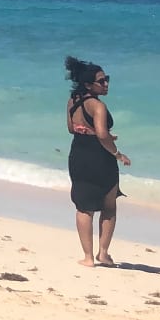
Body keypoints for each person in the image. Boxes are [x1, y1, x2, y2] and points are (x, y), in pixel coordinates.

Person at [64, 55, 129, 267]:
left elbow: (72, 128)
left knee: (83, 207)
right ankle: (103, 253)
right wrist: (117, 153)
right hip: (99, 157)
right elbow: (101, 134)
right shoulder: (98, 106)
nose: (106, 84)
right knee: (109, 205)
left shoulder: (72, 101)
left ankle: (88, 257)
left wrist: (101, 135)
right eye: (101, 81)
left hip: (78, 154)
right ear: (88, 84)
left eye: (106, 79)